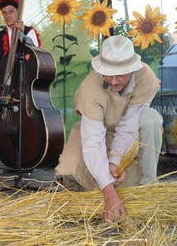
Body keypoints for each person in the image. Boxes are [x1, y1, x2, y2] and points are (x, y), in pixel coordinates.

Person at [55, 35, 163, 223]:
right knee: (73, 171)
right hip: (98, 134)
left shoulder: (144, 77)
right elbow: (93, 142)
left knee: (151, 118)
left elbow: (128, 127)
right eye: (108, 74)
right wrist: (109, 193)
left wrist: (114, 161)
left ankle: (148, 186)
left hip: (128, 137)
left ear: (132, 70)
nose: (113, 81)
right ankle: (84, 184)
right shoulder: (90, 88)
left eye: (120, 74)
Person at [0, 0, 40, 121]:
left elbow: (36, 55)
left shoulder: (29, 32)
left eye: (11, 11)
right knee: (1, 124)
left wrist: (22, 35)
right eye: (5, 13)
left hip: (24, 88)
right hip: (4, 90)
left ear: (18, 13)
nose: (7, 15)